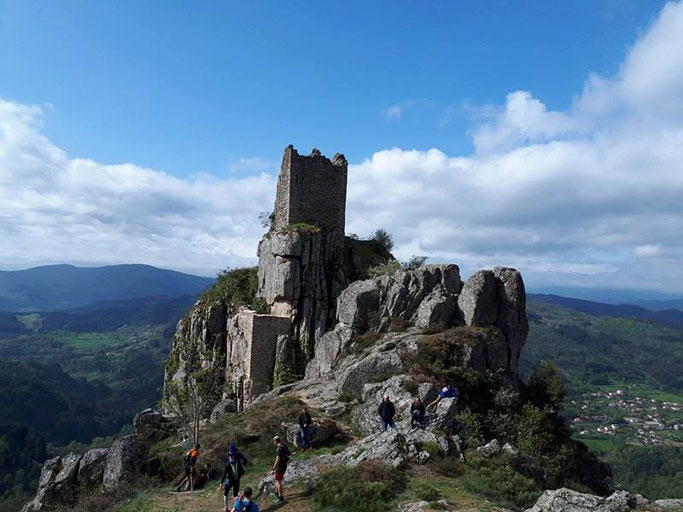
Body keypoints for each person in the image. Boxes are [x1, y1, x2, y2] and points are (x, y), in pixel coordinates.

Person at [219, 443, 249, 511]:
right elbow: (245, 460)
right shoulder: (238, 455)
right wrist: (243, 466)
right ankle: (235, 508)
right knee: (235, 494)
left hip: (229, 479)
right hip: (237, 478)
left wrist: (221, 482)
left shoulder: (228, 464)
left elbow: (224, 473)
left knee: (226, 493)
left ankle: (226, 508)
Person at [271, 436, 290, 503]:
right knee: (278, 480)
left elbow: (277, 459)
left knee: (278, 481)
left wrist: (273, 468)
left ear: (275, 441)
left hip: (280, 467)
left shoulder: (279, 449)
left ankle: (280, 497)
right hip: (284, 465)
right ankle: (276, 492)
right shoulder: (283, 445)